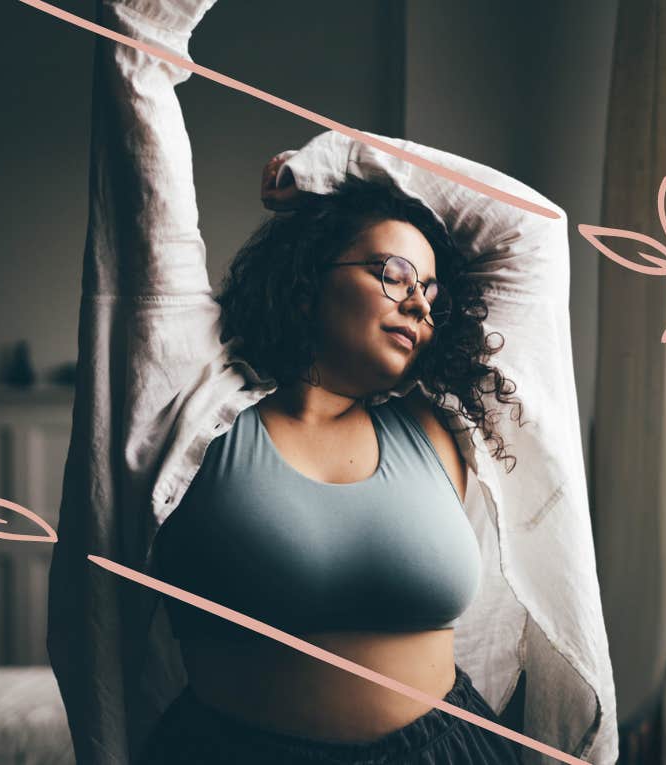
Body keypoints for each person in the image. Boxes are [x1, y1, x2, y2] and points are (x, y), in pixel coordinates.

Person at [46, 1, 618, 763]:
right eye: (393, 274)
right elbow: (136, 63)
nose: (419, 301)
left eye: (433, 294)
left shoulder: (442, 429)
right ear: (309, 281)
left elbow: (530, 229)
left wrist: (343, 161)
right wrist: (320, 187)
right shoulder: (197, 399)